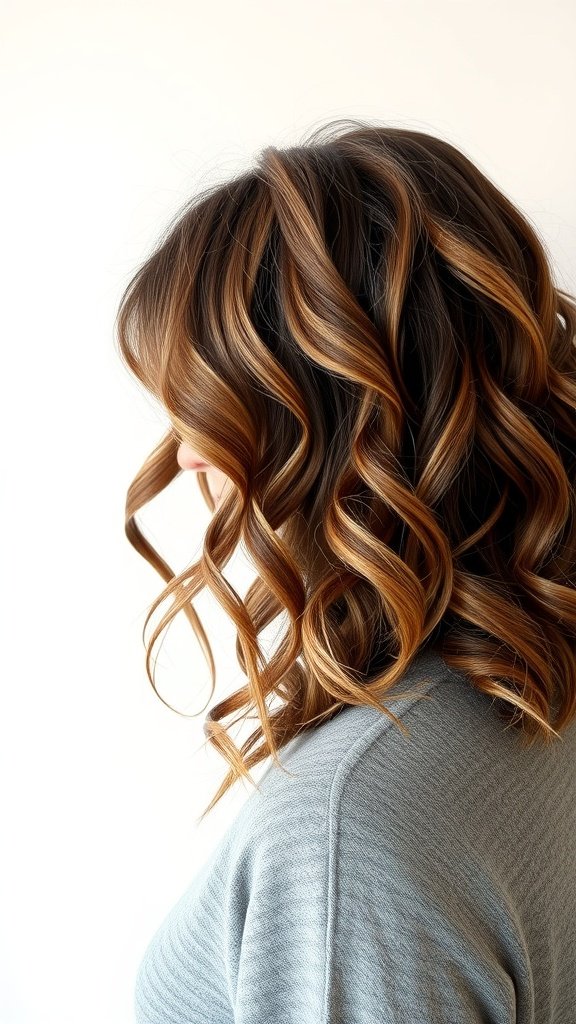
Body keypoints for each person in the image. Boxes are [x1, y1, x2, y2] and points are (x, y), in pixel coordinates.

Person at [115, 118, 576, 1023]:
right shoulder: (542, 686)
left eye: (214, 410)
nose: (189, 459)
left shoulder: (351, 833)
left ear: (335, 429)